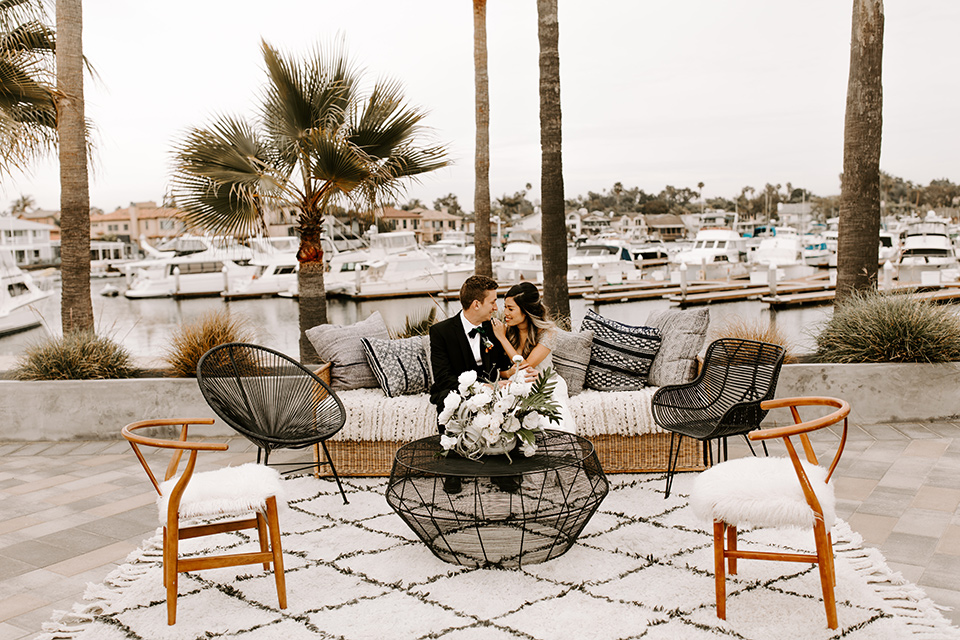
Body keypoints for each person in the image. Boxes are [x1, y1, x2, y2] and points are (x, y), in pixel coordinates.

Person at [429, 275, 520, 494]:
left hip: (491, 387)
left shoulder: (492, 328)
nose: (496, 308)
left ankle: (500, 466)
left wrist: (506, 374)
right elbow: (443, 376)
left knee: (508, 405)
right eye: (492, 302)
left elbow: (501, 365)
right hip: (456, 387)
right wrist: (478, 388)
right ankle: (454, 468)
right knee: (448, 403)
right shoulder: (441, 332)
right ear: (476, 304)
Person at [490, 281, 576, 433]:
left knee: (530, 390)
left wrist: (502, 339)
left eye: (511, 308)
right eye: (505, 307)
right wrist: (507, 373)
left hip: (545, 380)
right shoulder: (507, 332)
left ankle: (555, 437)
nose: (505, 313)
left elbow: (525, 366)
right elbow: (501, 370)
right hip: (518, 381)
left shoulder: (547, 332)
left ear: (526, 310)